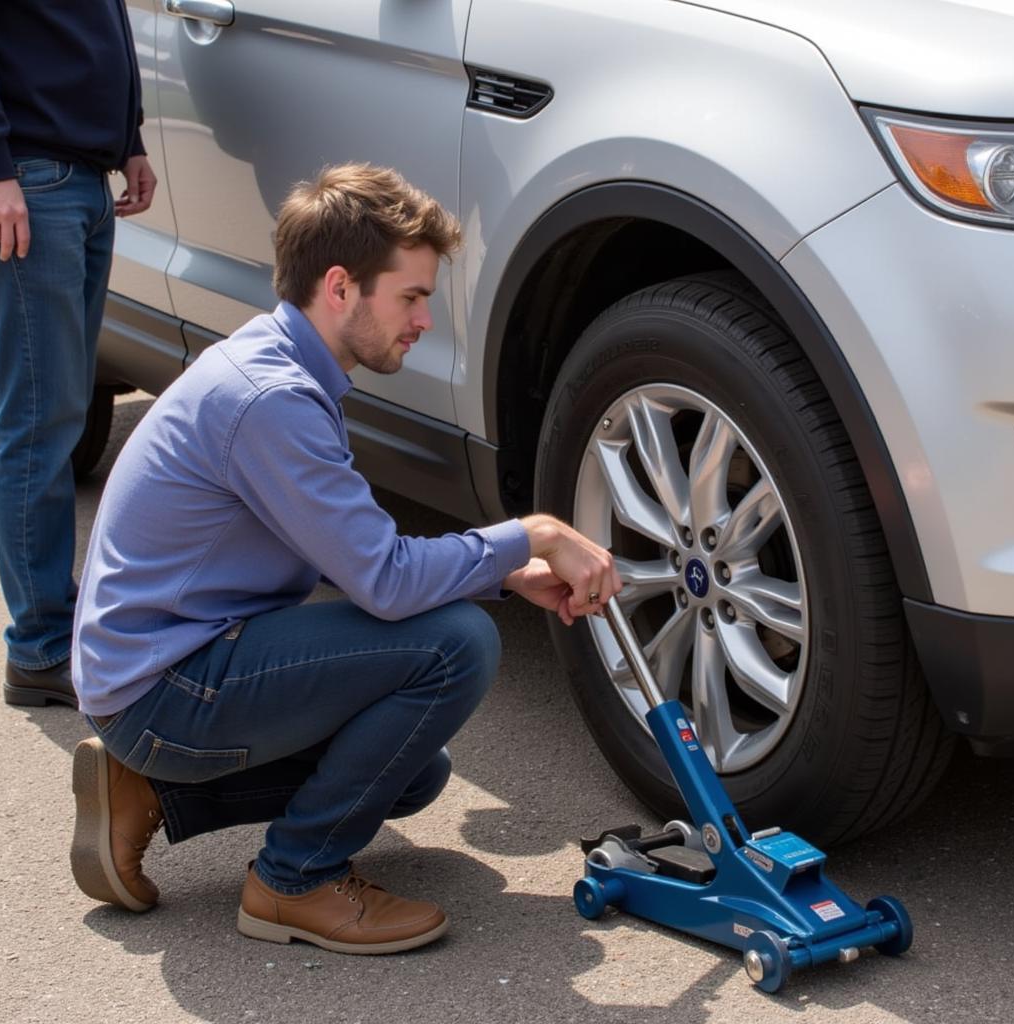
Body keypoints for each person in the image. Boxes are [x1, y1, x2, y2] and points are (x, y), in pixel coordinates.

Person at [69, 164, 621, 955]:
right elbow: (385, 580)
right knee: (456, 645)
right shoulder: (273, 399)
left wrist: (504, 573)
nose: (424, 320)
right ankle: (293, 881)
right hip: (164, 686)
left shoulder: (279, 368)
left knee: (413, 770)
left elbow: (352, 551)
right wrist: (532, 534)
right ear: (339, 286)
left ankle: (153, 790)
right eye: (411, 296)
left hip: (160, 667)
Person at [0, 1, 157, 708]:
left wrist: (130, 138)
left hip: (82, 181)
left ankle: (54, 626)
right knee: (38, 425)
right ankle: (37, 648)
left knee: (53, 419)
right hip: (30, 181)